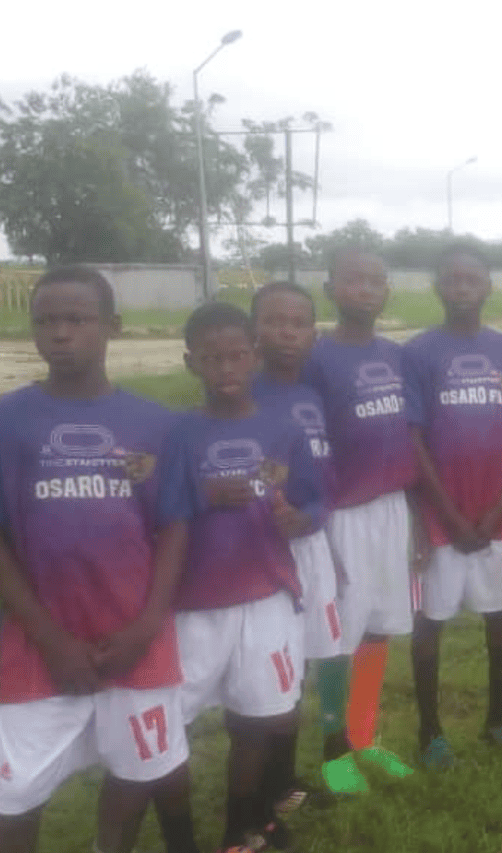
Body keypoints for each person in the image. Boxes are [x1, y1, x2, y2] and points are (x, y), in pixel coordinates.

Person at [0, 265, 197, 853]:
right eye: (45, 321)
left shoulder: (157, 425)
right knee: (17, 798)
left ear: (111, 326)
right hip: (39, 645)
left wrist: (147, 627)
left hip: (136, 639)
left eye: (75, 320)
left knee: (137, 770)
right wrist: (52, 640)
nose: (59, 333)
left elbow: (174, 529)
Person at [161, 301, 326, 851]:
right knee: (168, 727)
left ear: (254, 357)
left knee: (259, 720)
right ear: (192, 364)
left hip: (266, 593)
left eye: (237, 356)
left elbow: (314, 497)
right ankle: (179, 839)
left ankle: (242, 827)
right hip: (195, 603)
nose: (226, 368)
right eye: (213, 359)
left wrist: (300, 518)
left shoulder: (283, 428)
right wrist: (202, 496)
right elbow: (152, 512)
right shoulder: (176, 433)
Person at [403, 243, 502, 766]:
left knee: (498, 617)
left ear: (489, 287)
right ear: (438, 288)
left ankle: (498, 718)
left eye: (472, 280)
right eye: (452, 280)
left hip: (498, 518)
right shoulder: (418, 353)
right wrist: (444, 511)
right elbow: (413, 437)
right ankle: (430, 730)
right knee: (430, 622)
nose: (462, 289)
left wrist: (501, 505)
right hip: (439, 519)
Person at [301, 250, 421, 792]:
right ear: (332, 288)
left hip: (392, 509)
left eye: (377, 281)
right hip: (342, 516)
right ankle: (333, 751)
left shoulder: (397, 357)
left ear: (387, 292)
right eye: (355, 280)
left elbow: (413, 438)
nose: (367, 289)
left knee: (376, 627)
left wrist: (417, 519)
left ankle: (364, 735)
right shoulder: (315, 359)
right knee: (337, 636)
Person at [250, 281, 346, 811]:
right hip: (266, 552)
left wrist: (317, 527)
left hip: (312, 543)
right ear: (254, 332)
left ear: (313, 334)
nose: (286, 333)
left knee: (310, 663)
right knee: (274, 669)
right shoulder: (246, 396)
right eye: (273, 321)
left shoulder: (312, 396)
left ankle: (286, 780)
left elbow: (322, 478)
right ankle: (263, 786)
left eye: (298, 323)